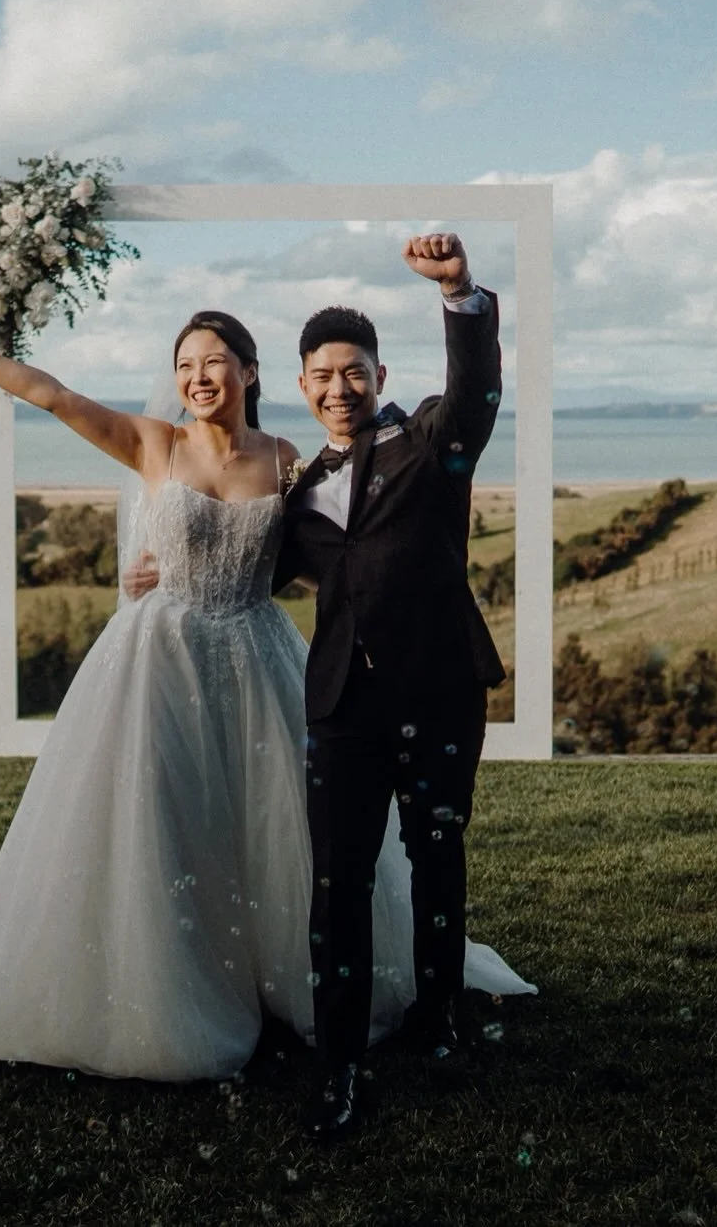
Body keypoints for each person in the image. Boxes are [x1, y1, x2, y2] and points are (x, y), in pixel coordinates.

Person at [0, 301, 439, 1080]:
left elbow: (317, 551)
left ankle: (278, 978)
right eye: (184, 365)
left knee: (271, 824)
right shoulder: (155, 445)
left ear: (250, 372)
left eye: (213, 361)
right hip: (161, 660)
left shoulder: (288, 459)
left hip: (259, 659)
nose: (196, 377)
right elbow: (52, 394)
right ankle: (170, 988)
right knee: (163, 819)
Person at [272, 230, 510, 1138]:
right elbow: (252, 575)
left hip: (442, 688)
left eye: (355, 371)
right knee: (338, 882)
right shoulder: (295, 494)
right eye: (323, 375)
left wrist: (459, 292)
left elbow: (479, 391)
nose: (340, 388)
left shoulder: (432, 442)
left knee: (436, 857)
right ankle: (339, 1066)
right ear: (302, 385)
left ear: (378, 372)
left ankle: (438, 1018)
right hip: (341, 709)